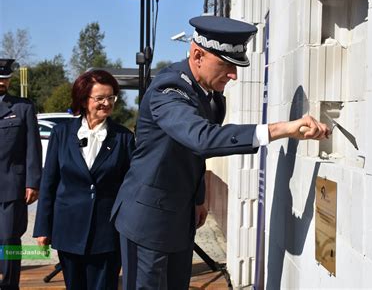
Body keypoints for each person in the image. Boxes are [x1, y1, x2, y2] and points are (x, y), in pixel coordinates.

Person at [111, 15, 331, 289]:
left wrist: (198, 199)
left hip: (179, 216)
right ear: (197, 54)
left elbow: (194, 157)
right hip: (147, 220)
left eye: (236, 66)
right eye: (226, 65)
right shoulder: (169, 89)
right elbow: (202, 139)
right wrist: (281, 129)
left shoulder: (210, 97)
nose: (234, 75)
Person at [33, 70, 136, 290]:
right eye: (100, 98)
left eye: (111, 98)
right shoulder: (61, 133)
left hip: (107, 232)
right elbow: (49, 182)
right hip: (68, 228)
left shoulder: (123, 137)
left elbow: (131, 186)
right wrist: (43, 227)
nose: (106, 103)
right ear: (83, 99)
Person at [0, 58, 42, 290]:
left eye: (4, 78)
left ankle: (9, 285)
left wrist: (33, 182)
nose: (1, 82)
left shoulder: (22, 108)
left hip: (10, 187)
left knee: (9, 239)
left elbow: (32, 148)